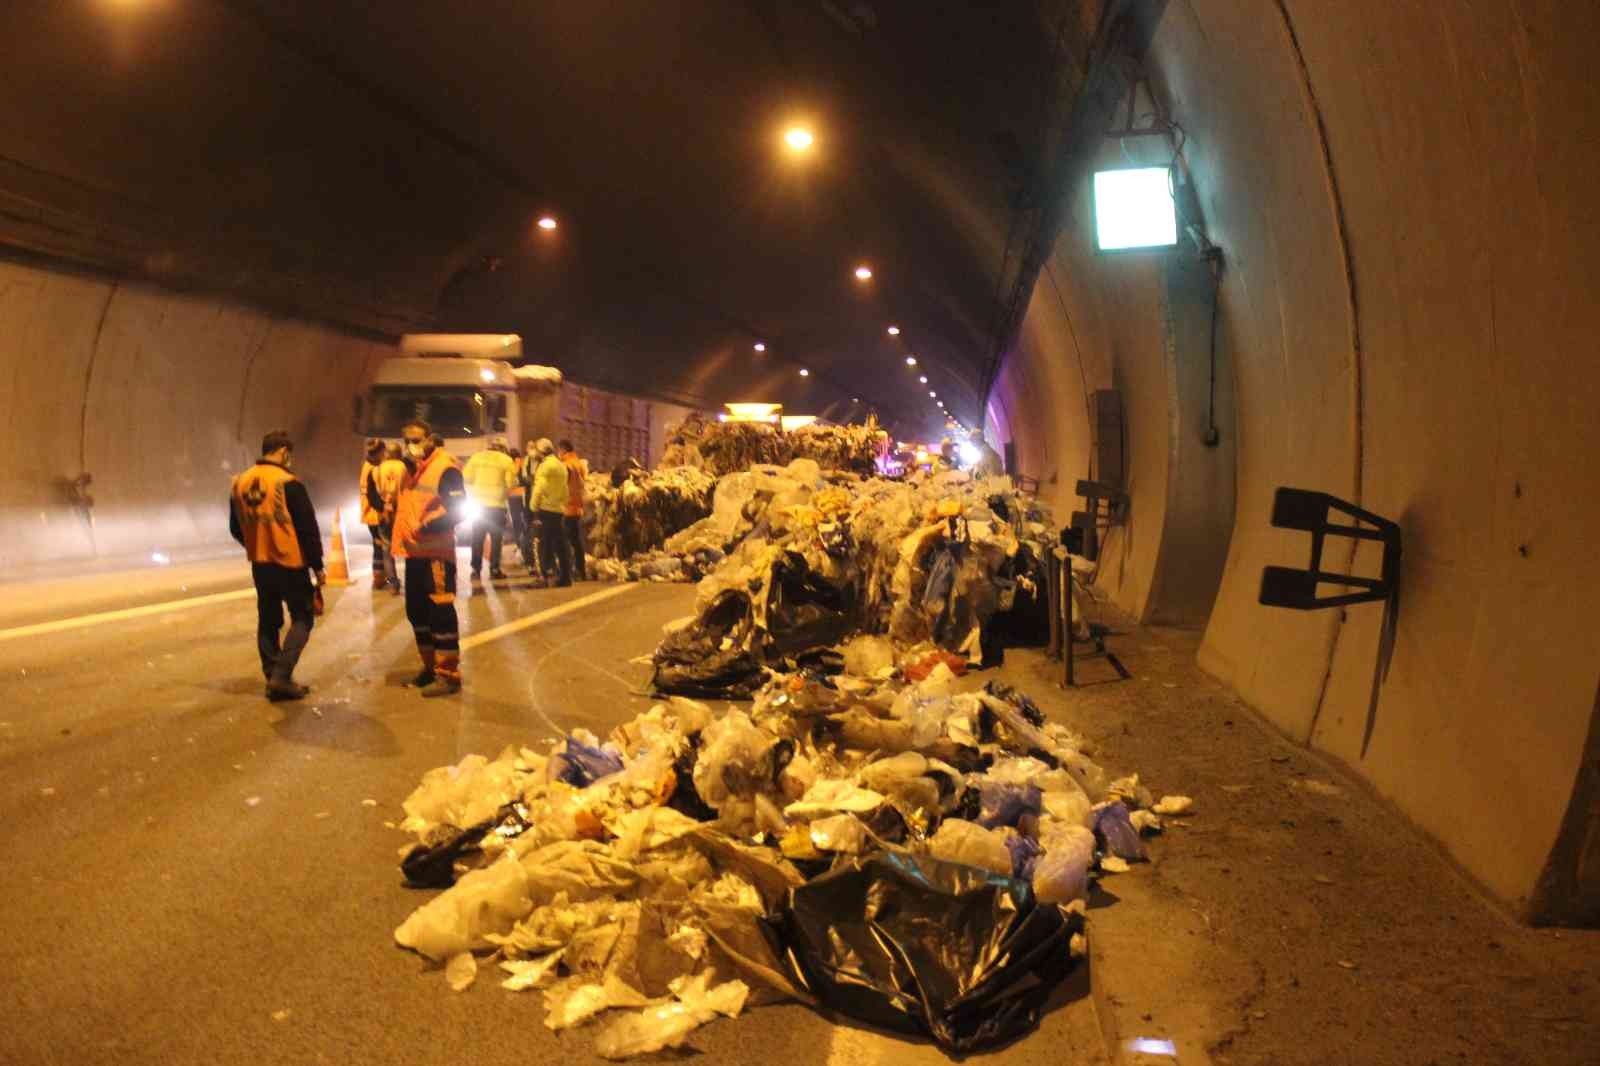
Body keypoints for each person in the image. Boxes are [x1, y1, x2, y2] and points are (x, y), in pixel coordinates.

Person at [229, 429, 324, 702]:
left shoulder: (240, 482)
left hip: (260, 562)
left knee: (268, 619)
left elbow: (235, 527)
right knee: (302, 618)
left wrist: (257, 544)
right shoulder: (288, 483)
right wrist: (317, 566)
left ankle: (272, 675)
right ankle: (282, 677)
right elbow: (308, 528)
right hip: (290, 561)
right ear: (283, 452)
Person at [392, 419, 467, 697]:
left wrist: (426, 528)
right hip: (415, 554)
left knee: (440, 612)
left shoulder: (445, 468)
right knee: (417, 613)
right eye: (407, 440)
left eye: (417, 440)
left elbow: (459, 511)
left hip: (436, 554)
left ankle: (448, 675)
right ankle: (430, 668)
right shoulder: (412, 470)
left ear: (430, 439)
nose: (412, 446)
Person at [461, 436, 517, 582]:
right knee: (496, 539)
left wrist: (474, 492)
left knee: (477, 537)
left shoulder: (476, 458)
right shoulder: (506, 461)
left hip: (478, 505)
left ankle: (476, 569)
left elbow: (466, 478)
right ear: (504, 448)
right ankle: (494, 569)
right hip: (497, 506)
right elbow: (511, 483)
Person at [532, 437, 573, 586]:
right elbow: (565, 490)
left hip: (545, 510)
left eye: (536, 450)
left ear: (542, 451)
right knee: (560, 545)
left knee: (541, 544)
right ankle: (565, 577)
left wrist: (533, 507)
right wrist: (562, 505)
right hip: (558, 510)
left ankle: (542, 577)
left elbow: (539, 489)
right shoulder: (560, 466)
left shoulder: (544, 467)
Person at [375, 442, 407, 593]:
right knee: (409, 547)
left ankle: (393, 583)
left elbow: (377, 489)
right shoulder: (403, 467)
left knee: (387, 549)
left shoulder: (380, 468)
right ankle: (412, 581)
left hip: (386, 511)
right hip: (401, 511)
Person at [358, 438, 390, 590]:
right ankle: (379, 579)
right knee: (379, 546)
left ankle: (379, 577)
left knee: (377, 545)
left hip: (369, 512)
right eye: (383, 452)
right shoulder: (372, 469)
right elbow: (373, 495)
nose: (384, 455)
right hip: (374, 513)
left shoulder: (367, 466)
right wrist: (383, 508)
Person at [558, 439, 589, 581]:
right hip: (578, 507)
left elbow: (562, 486)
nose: (558, 453)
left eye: (559, 450)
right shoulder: (579, 464)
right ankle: (581, 570)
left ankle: (569, 570)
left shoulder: (565, 465)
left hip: (567, 507)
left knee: (565, 542)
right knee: (577, 542)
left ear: (563, 450)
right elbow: (583, 482)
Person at [506, 446, 528, 569]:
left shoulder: (510, 465)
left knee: (516, 523)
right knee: (525, 522)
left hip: (514, 497)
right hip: (524, 496)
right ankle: (523, 545)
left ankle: (520, 545)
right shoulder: (524, 463)